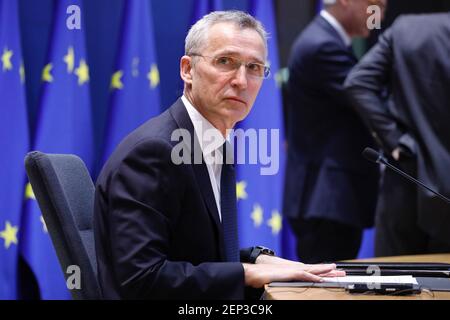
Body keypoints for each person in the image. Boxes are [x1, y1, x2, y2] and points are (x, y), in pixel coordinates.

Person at [94, 11, 344, 300]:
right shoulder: (153, 153)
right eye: (225, 61)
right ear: (188, 69)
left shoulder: (212, 141)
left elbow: (192, 251)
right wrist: (246, 273)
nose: (241, 80)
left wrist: (255, 259)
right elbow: (142, 279)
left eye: (254, 67)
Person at [283, 0, 386, 264]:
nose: (379, 15)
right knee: (328, 289)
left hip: (330, 200)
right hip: (327, 200)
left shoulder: (327, 40)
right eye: (375, 5)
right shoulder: (323, 46)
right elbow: (370, 98)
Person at [344, 12, 450, 257]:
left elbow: (358, 82)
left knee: (393, 284)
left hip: (406, 178)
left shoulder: (406, 29)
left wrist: (395, 141)